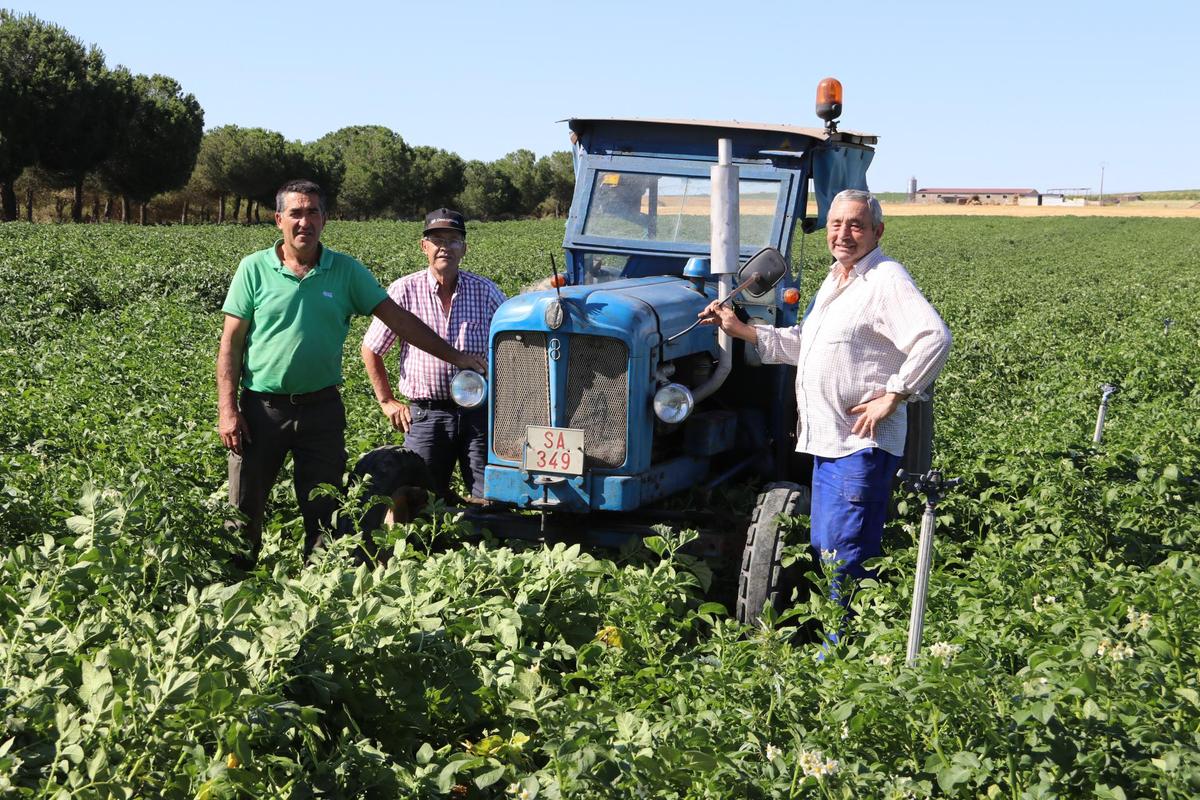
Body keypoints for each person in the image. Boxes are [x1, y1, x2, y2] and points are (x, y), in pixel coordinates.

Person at [699, 188, 951, 604]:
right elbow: (807, 344)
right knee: (826, 547)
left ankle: (842, 652)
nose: (844, 233)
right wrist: (741, 329)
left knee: (847, 555)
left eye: (856, 225)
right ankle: (834, 642)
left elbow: (934, 337)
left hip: (860, 445)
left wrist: (896, 394)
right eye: (836, 224)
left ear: (877, 231)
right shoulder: (838, 279)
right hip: (827, 442)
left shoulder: (885, 279)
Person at [217, 181, 485, 568]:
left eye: (312, 212)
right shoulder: (253, 269)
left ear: (324, 219)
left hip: (322, 411)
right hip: (262, 410)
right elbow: (231, 344)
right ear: (279, 220)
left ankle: (320, 594)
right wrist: (228, 410)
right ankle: (233, 585)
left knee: (327, 515)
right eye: (295, 213)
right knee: (244, 510)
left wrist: (455, 356)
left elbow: (400, 321)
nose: (304, 221)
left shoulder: (345, 271)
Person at [360, 208, 505, 504]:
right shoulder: (404, 291)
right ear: (423, 246)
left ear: (464, 248)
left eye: (453, 240)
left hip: (477, 413)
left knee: (490, 495)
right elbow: (371, 348)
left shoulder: (486, 292)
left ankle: (486, 544)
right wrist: (387, 401)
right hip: (426, 415)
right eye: (437, 240)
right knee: (418, 495)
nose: (445, 247)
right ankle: (428, 548)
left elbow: (514, 347)